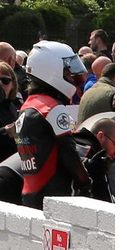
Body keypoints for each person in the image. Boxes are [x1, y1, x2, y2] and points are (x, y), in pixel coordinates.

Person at [15, 40, 90, 209]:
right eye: (67, 71)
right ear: (52, 69)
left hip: (31, 193)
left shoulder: (28, 105)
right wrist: (86, 183)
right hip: (55, 196)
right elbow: (69, 154)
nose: (72, 77)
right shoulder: (52, 109)